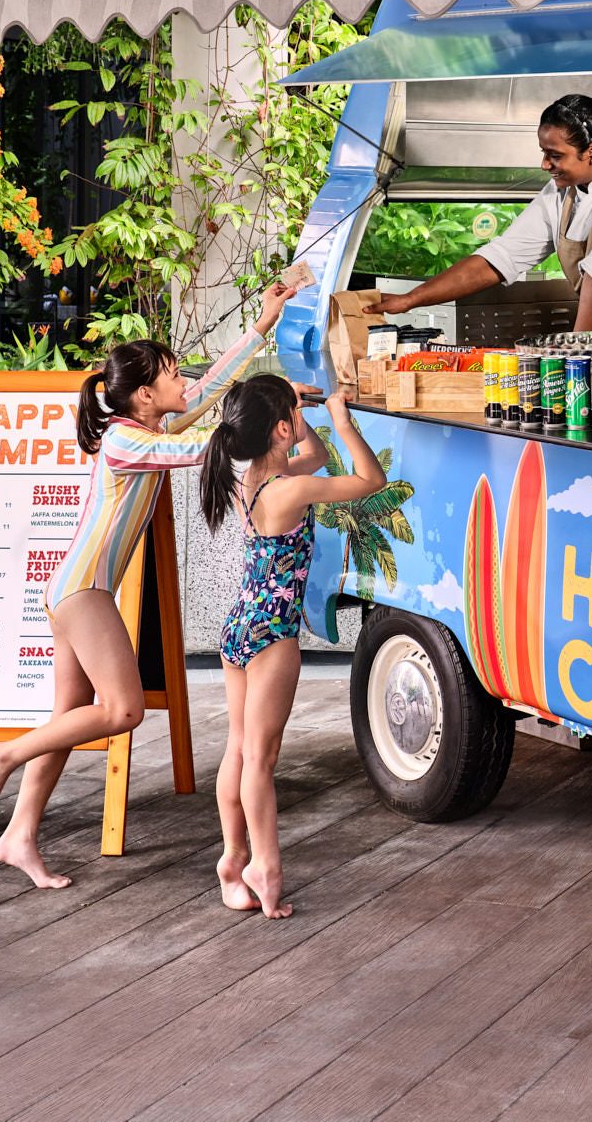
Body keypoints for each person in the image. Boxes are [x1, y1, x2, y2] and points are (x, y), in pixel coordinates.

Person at [0, 283, 296, 888]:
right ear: (146, 394)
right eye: (173, 375)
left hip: (75, 588)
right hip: (83, 591)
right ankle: (2, 754)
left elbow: (204, 396)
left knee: (68, 715)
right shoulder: (126, 439)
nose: (183, 382)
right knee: (122, 710)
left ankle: (20, 834)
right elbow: (205, 446)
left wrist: (261, 325)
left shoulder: (147, 428)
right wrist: (273, 415)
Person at [197, 376, 384, 919]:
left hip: (240, 627)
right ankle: (265, 866)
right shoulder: (290, 489)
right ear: (280, 429)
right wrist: (342, 418)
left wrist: (293, 410)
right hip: (272, 635)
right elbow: (370, 480)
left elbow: (314, 453)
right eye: (290, 417)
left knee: (239, 750)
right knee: (260, 758)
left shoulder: (255, 480)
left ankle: (232, 861)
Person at [369, 92, 592, 332]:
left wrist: (575, 355)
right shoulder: (562, 195)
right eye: (543, 153)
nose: (544, 165)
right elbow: (499, 259)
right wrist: (411, 299)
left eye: (554, 155)